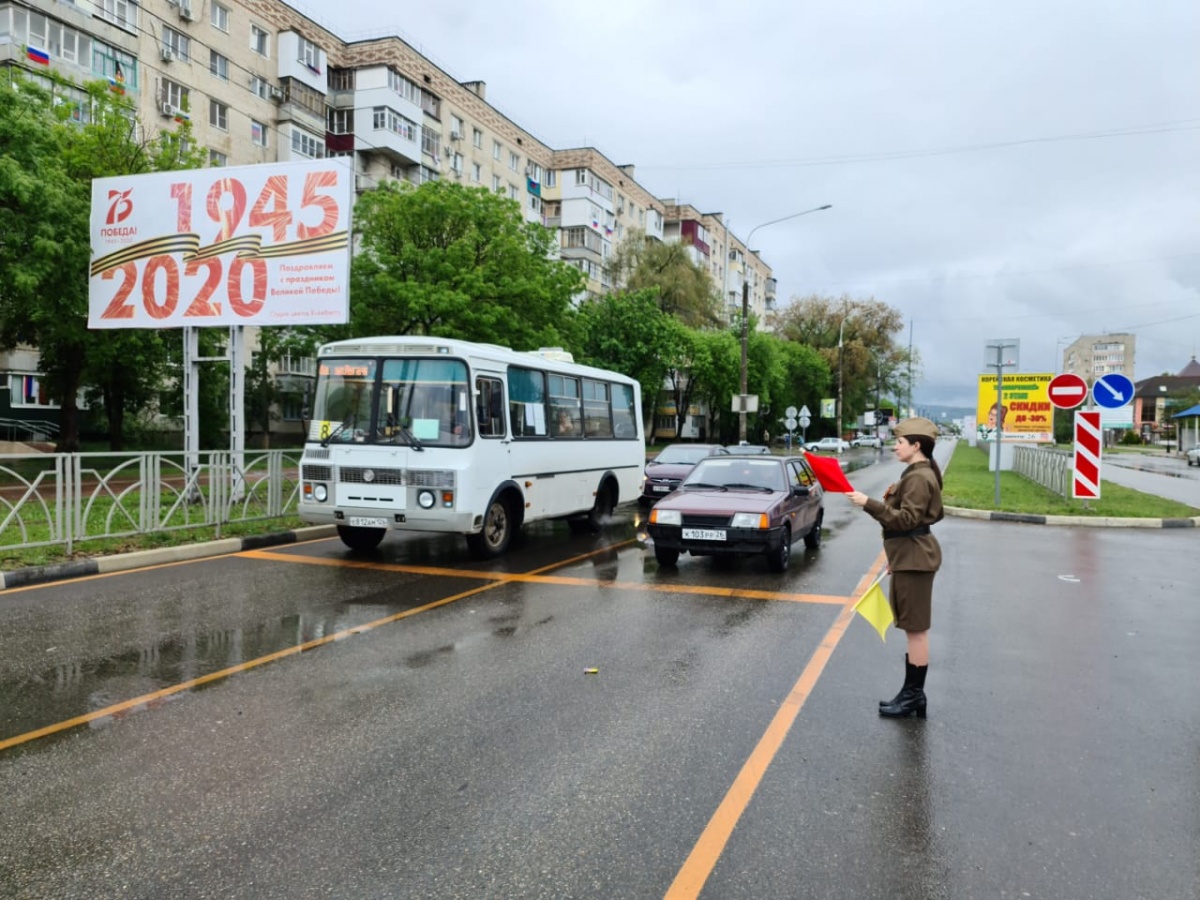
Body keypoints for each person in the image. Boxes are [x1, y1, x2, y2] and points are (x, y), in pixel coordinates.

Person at [846, 417, 944, 719]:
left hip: (915, 559)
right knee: (911, 628)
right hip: (909, 556)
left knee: (916, 631)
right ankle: (911, 693)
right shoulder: (918, 472)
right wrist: (897, 554)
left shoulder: (918, 477)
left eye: (899, 442)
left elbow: (905, 520)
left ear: (916, 445)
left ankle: (914, 695)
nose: (895, 446)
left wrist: (868, 502)